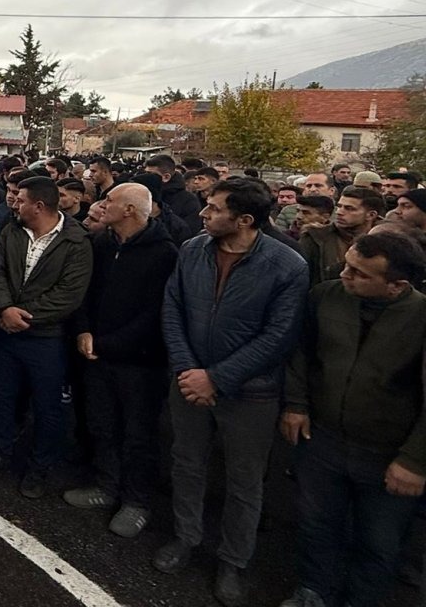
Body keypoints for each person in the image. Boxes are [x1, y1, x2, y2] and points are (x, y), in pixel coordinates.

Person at [154, 178, 308, 607]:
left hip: (251, 394)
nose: (203, 215)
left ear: (244, 220)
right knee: (186, 463)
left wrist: (217, 378)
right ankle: (187, 537)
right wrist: (188, 369)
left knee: (244, 482)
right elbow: (173, 309)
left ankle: (233, 561)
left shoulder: (286, 264)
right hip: (188, 381)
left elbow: (278, 337)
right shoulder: (192, 250)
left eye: (214, 209)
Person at [280, 232, 426, 607]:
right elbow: (301, 354)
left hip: (387, 453)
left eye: (360, 273)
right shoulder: (325, 296)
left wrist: (414, 461)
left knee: (378, 541)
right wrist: (296, 405)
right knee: (316, 524)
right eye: (347, 264)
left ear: (396, 286)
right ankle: (313, 590)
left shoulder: (421, 318)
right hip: (323, 439)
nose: (345, 274)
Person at [64, 184, 177, 538]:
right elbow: (84, 292)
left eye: (109, 201)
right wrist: (83, 331)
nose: (101, 205)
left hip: (140, 364)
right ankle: (106, 485)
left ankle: (136, 501)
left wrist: (106, 343)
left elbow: (154, 313)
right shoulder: (101, 244)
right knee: (102, 423)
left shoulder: (164, 254)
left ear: (130, 209)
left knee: (138, 433)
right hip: (96, 354)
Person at [0, 176, 92, 498]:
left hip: (47, 339)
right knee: (2, 397)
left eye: (21, 200)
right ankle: (0, 449)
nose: (14, 203)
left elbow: (69, 295)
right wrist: (4, 309)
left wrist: (21, 316)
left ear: (39, 206)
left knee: (47, 407)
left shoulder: (76, 242)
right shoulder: (12, 231)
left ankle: (39, 467)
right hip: (7, 333)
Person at [298, 186, 383, 286]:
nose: (339, 212)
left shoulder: (385, 241)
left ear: (371, 215)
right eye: (339, 206)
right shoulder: (315, 237)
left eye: (349, 208)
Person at [144, 155, 202, 236]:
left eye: (150, 174)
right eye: (145, 173)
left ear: (166, 177)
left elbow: (188, 233)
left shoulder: (189, 201)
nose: (145, 177)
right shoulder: (145, 195)